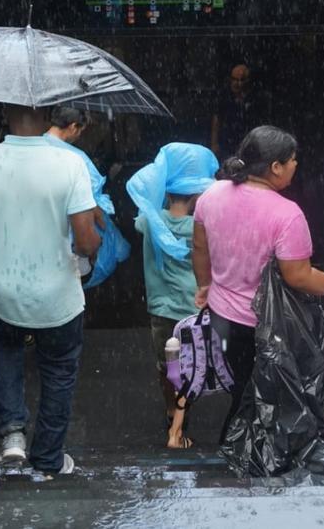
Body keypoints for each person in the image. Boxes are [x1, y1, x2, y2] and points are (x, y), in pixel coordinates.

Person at [0, 105, 101, 476]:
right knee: (58, 370)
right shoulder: (70, 165)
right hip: (57, 296)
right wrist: (97, 240)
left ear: (3, 112)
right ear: (48, 114)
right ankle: (48, 457)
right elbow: (85, 241)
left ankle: (13, 435)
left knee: (6, 352)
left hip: (1, 289)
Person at [191, 125, 324, 441]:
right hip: (267, 327)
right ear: (275, 167)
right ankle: (254, 454)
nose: (295, 165)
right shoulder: (287, 214)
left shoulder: (211, 196)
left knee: (241, 386)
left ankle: (238, 448)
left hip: (223, 317)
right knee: (268, 394)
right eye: (292, 160)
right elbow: (299, 276)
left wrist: (205, 284)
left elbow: (199, 247)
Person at [126, 143, 219, 449]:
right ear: (198, 194)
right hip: (193, 309)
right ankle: (179, 425)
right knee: (192, 366)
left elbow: (141, 217)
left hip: (161, 310)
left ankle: (171, 411)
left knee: (168, 365)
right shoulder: (202, 228)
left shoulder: (150, 222)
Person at [43, 106, 129, 286]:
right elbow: (91, 205)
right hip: (71, 244)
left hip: (41, 243)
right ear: (74, 126)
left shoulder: (33, 149)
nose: (79, 136)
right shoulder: (76, 157)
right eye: (81, 130)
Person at [210, 64, 269, 157]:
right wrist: (214, 143)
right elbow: (216, 120)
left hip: (249, 142)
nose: (238, 84)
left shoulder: (257, 98)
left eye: (242, 80)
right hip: (227, 141)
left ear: (248, 81)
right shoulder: (224, 96)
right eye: (235, 80)